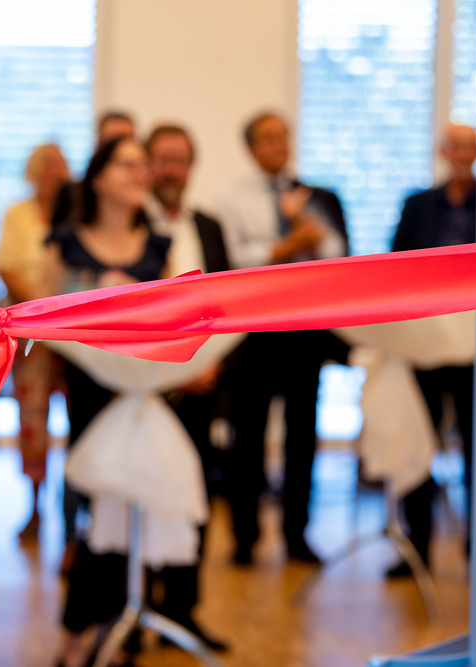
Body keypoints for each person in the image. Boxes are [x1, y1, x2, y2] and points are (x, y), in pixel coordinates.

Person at [45, 136, 171, 667]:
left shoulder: (159, 245)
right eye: (126, 164)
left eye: (143, 165)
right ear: (97, 178)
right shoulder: (66, 243)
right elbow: (47, 317)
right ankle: (77, 629)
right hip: (90, 393)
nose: (139, 173)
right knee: (95, 513)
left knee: (134, 506)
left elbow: (171, 321)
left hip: (142, 394)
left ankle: (117, 629)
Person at [217, 111, 349, 565]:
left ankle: (297, 534)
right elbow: (232, 260)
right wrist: (286, 246)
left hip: (303, 332)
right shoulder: (231, 198)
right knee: (247, 437)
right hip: (253, 333)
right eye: (268, 138)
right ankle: (245, 537)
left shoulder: (316, 197)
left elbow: (336, 252)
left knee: (302, 436)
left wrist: (304, 228)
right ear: (251, 148)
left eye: (284, 136)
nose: (279, 144)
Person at [142, 123, 228, 650]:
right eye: (163, 159)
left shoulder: (210, 226)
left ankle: (182, 610)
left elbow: (225, 304)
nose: (172, 170)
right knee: (144, 495)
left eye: (181, 160)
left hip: (203, 386)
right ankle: (136, 609)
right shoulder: (132, 226)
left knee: (195, 497)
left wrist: (211, 366)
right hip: (146, 389)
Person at [389, 124, 476, 576]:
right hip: (425, 345)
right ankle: (416, 548)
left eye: (470, 146)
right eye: (455, 145)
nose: (462, 153)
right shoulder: (418, 204)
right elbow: (395, 266)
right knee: (418, 442)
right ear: (444, 151)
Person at [0, 143, 71, 541]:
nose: (54, 175)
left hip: (75, 335)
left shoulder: (77, 216)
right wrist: (41, 309)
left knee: (79, 419)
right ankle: (34, 504)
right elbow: (7, 268)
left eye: (60, 167)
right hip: (33, 335)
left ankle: (72, 511)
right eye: (47, 167)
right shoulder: (18, 214)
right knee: (32, 421)